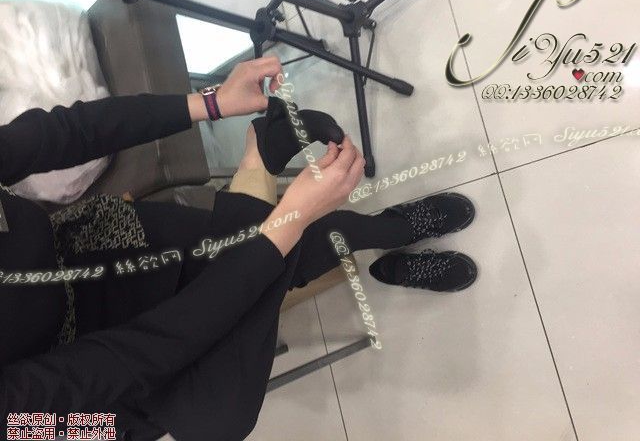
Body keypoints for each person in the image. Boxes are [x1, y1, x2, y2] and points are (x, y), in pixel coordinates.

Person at [0, 56, 477, 441]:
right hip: (72, 406)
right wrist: (287, 222)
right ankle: (270, 175)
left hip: (90, 250)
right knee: (215, 417)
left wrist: (211, 102)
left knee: (270, 255)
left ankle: (385, 227)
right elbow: (136, 355)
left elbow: (63, 133)